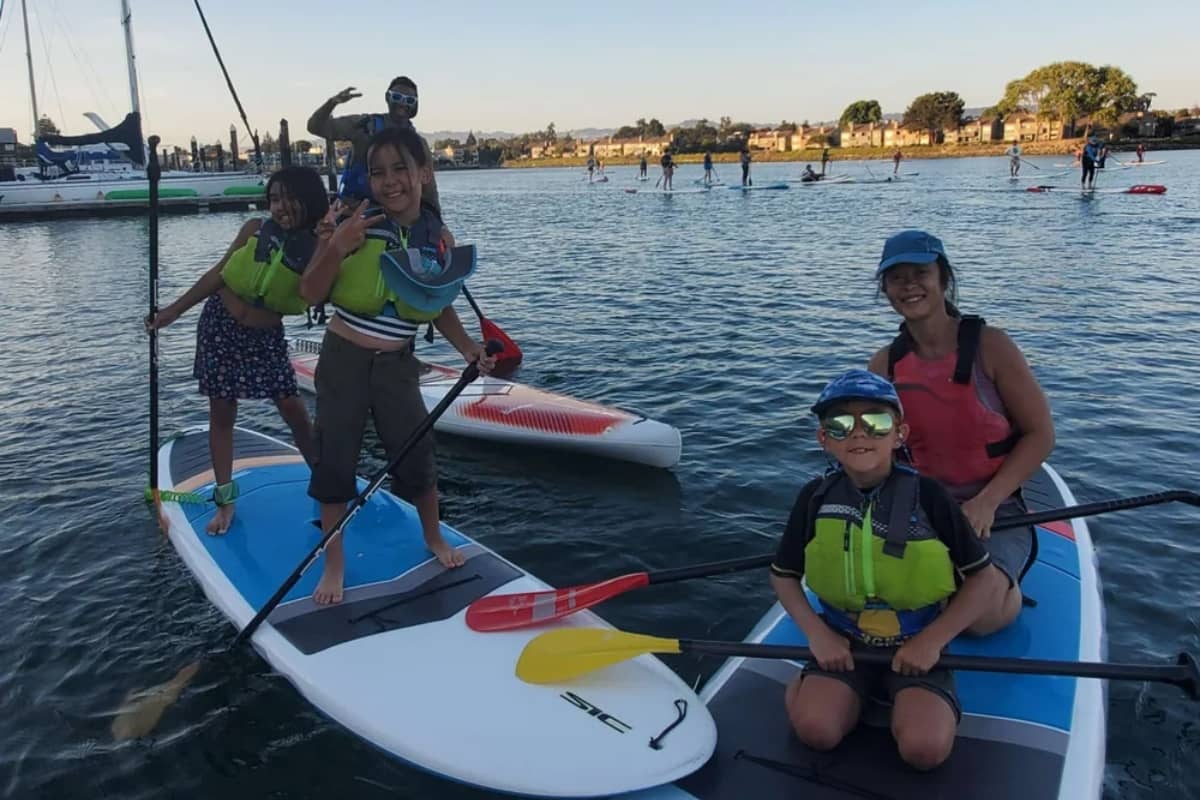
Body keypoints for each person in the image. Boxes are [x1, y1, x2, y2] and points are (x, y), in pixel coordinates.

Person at [298, 126, 496, 604]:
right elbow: (309, 292)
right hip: (343, 359)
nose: (390, 182)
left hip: (397, 365)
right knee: (334, 462)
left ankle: (433, 536)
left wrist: (468, 347)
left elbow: (437, 301)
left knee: (417, 456)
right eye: (378, 172)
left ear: (424, 174)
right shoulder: (353, 222)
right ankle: (335, 563)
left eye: (400, 169)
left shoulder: (436, 237)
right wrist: (336, 246)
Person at [771, 370, 996, 771]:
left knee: (924, 752)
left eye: (875, 422)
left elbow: (983, 579)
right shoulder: (814, 497)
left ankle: (898, 697)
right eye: (840, 424)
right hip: (843, 639)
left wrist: (932, 641)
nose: (859, 434)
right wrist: (817, 634)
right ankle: (821, 691)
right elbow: (783, 575)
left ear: (899, 434)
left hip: (918, 640)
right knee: (815, 731)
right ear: (824, 439)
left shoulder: (931, 497)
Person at [867, 230, 1055, 635]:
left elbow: (1041, 435)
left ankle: (1008, 585)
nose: (910, 286)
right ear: (885, 289)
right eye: (897, 278)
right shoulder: (883, 365)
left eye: (921, 273)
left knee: (980, 621)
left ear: (944, 279)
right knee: (886, 595)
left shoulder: (992, 346)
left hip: (995, 507)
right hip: (919, 504)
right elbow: (873, 451)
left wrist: (987, 501)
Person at [147, 167, 329, 533]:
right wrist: (172, 312)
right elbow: (219, 273)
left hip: (265, 338)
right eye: (274, 199)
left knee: (292, 408)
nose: (280, 207)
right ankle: (225, 503)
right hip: (220, 326)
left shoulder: (320, 245)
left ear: (309, 200)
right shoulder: (253, 230)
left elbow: (316, 292)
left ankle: (326, 485)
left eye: (288, 198)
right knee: (222, 411)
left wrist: (327, 240)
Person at [306, 76, 442, 215]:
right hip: (356, 211)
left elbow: (429, 191)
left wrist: (439, 225)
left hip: (399, 216)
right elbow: (316, 127)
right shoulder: (365, 126)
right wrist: (332, 103)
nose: (402, 104)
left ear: (415, 105)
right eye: (396, 97)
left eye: (409, 100)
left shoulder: (419, 143)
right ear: (387, 98)